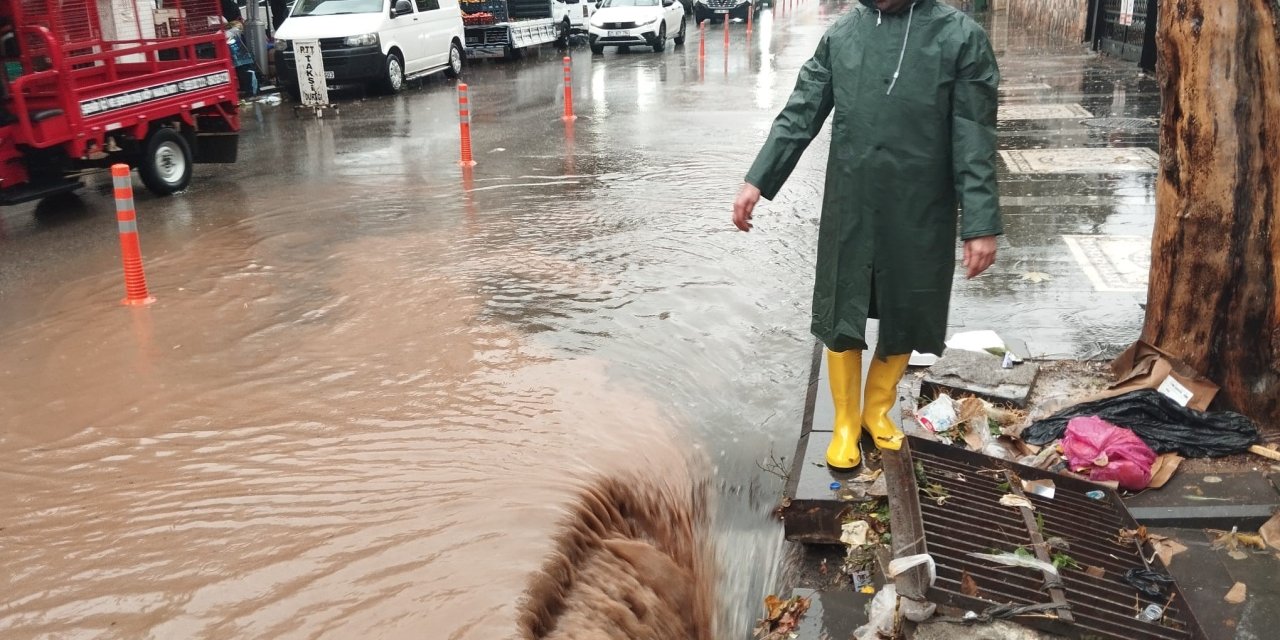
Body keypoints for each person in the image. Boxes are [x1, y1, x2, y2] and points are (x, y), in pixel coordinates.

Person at [732, 0, 1001, 469]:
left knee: (909, 306)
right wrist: (758, 179)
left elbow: (974, 134)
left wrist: (980, 223)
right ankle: (843, 421)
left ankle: (877, 409)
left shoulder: (960, 37)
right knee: (843, 306)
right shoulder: (843, 34)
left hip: (922, 204)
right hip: (852, 200)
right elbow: (801, 111)